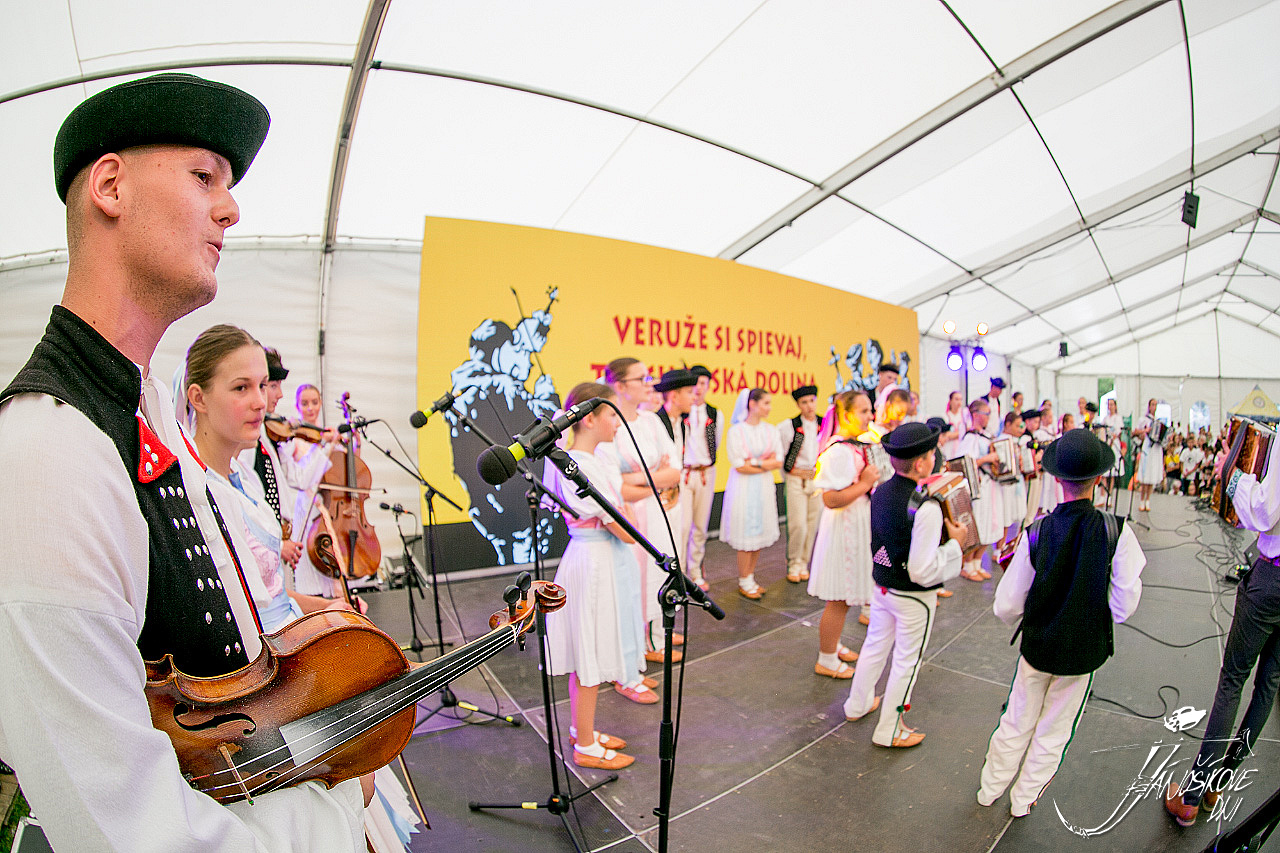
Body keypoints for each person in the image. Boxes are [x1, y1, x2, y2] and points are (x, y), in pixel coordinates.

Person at [0, 73, 369, 851]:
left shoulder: (146, 408)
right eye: (205, 176)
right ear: (110, 187)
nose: (230, 209)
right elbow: (127, 829)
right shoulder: (47, 448)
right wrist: (337, 804)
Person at [978, 429, 1145, 818]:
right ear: (1099, 478)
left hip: (1038, 644)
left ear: (1056, 479)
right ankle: (1023, 800)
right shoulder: (1118, 532)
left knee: (1017, 717)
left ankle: (990, 788)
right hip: (1082, 650)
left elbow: (1007, 604)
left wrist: (1032, 619)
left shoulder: (1037, 531)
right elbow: (1123, 604)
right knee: (1055, 728)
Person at [1165, 422, 1280, 825]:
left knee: (1233, 681)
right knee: (1269, 684)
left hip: (1273, 578)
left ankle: (1192, 797)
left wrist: (1233, 478)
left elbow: (1265, 511)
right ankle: (1218, 784)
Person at [843, 423, 965, 747]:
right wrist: (956, 544)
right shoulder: (925, 507)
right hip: (913, 598)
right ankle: (891, 729)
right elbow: (922, 571)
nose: (935, 458)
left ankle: (857, 704)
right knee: (907, 662)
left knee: (874, 646)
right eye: (932, 454)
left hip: (882, 587)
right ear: (922, 463)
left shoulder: (880, 490)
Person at [544, 383, 645, 771]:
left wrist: (622, 516)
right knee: (590, 650)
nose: (618, 423)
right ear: (589, 419)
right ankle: (585, 744)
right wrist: (625, 518)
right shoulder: (578, 464)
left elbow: (620, 517)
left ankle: (582, 730)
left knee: (594, 648)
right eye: (612, 415)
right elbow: (625, 528)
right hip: (594, 562)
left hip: (600, 557)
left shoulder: (592, 460)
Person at [605, 358, 683, 670]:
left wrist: (637, 478)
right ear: (620, 385)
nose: (649, 383)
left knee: (659, 573)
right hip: (630, 516)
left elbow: (675, 470)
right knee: (636, 580)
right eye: (642, 378)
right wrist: (655, 478)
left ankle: (656, 634)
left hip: (657, 510)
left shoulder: (651, 421)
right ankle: (644, 644)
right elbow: (613, 484)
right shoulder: (610, 424)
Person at [807, 391, 880, 678]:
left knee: (845, 597)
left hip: (855, 523)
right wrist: (865, 484)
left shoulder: (856, 446)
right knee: (839, 597)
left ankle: (833, 645)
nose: (870, 416)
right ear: (847, 415)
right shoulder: (838, 451)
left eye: (870, 410)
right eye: (863, 411)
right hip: (843, 528)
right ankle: (826, 659)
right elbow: (831, 499)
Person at [721, 389, 784, 600]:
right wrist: (765, 463)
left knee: (759, 535)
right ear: (752, 404)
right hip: (744, 488)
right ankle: (744, 580)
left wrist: (755, 462)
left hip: (763, 487)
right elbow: (739, 465)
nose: (769, 408)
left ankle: (750, 577)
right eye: (765, 403)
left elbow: (778, 460)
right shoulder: (736, 432)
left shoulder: (771, 430)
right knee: (746, 534)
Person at [682, 365, 722, 591]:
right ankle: (680, 572)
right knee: (682, 525)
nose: (698, 388)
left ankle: (695, 571)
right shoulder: (681, 413)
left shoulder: (715, 414)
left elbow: (716, 442)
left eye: (703, 383)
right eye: (695, 383)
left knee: (700, 525)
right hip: (684, 473)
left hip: (705, 472)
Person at [654, 368, 697, 572]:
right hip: (660, 497)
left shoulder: (682, 423)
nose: (694, 397)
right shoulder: (656, 424)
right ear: (674, 395)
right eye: (689, 392)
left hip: (678, 491)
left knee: (682, 535)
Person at [779, 384, 823, 583]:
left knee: (813, 523)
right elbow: (782, 456)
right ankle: (794, 562)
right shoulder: (789, 426)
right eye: (804, 402)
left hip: (817, 480)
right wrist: (791, 474)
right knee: (798, 524)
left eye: (811, 401)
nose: (809, 406)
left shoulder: (825, 424)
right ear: (798, 405)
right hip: (796, 478)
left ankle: (804, 562)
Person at [958, 399, 1003, 581]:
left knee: (990, 523)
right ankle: (968, 565)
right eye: (985, 414)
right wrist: (986, 459)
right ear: (975, 414)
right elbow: (964, 463)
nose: (988, 417)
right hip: (979, 486)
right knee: (977, 523)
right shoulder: (970, 437)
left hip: (991, 484)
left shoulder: (988, 436)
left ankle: (977, 562)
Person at [1132, 399, 1163, 512]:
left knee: (1152, 475)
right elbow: (1135, 432)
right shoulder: (1144, 419)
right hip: (1147, 447)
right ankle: (1141, 500)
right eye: (1152, 404)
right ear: (1149, 406)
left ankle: (1148, 500)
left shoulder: (1158, 421)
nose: (1154, 407)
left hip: (1155, 449)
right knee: (1145, 475)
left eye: (1156, 405)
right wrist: (1145, 430)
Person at [942, 390, 970, 459]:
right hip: (948, 448)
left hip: (961, 447)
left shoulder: (965, 415)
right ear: (951, 401)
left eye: (960, 399)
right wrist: (959, 433)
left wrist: (952, 435)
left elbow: (968, 429)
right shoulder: (945, 416)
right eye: (956, 399)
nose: (959, 402)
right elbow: (944, 435)